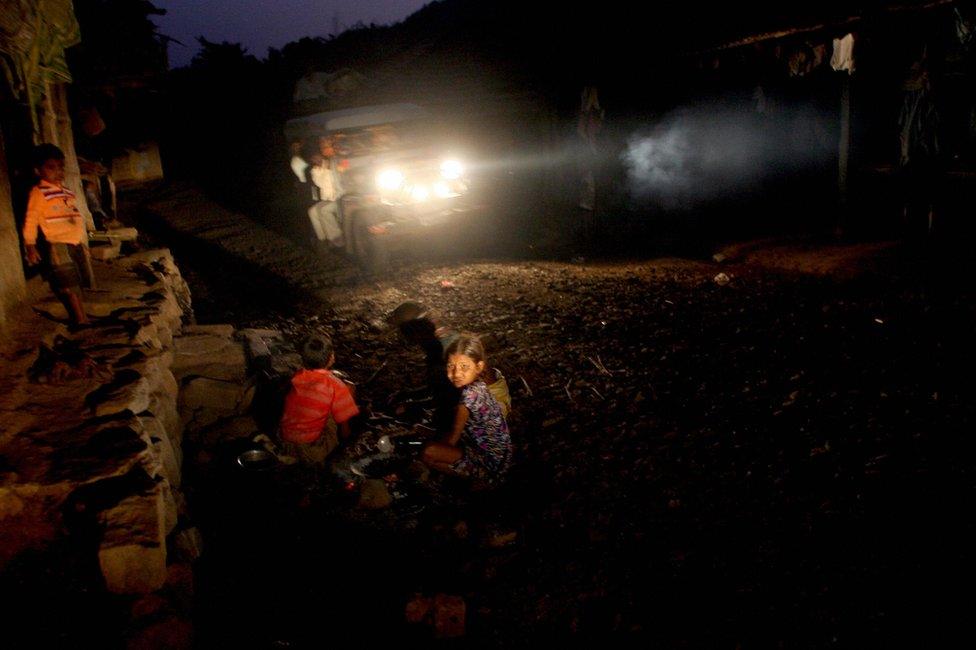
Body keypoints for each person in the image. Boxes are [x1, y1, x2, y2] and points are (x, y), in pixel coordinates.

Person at [421, 333, 512, 487]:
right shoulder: (480, 385)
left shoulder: (469, 396)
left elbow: (453, 439)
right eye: (451, 366)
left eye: (464, 367)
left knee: (429, 453)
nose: (456, 374)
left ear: (479, 366)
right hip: (501, 454)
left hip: (489, 460)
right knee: (435, 441)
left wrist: (431, 445)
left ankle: (483, 480)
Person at [22, 144, 96, 328]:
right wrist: (30, 246)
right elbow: (31, 220)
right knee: (66, 283)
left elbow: (75, 217)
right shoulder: (38, 193)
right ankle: (79, 319)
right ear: (37, 170)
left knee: (77, 281)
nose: (58, 171)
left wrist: (82, 242)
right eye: (51, 167)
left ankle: (82, 316)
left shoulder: (66, 192)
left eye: (61, 167)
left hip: (75, 243)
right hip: (58, 245)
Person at [279, 332, 360, 466]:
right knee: (348, 391)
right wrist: (346, 442)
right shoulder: (335, 385)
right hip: (312, 449)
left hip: (285, 441)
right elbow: (343, 427)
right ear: (331, 357)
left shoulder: (296, 377)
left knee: (315, 402)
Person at [306, 137, 345, 248]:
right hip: (330, 198)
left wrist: (327, 169)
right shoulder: (317, 169)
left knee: (323, 210)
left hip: (340, 197)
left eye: (326, 147)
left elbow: (341, 177)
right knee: (312, 211)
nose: (324, 150)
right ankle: (322, 238)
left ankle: (336, 237)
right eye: (322, 147)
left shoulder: (335, 161)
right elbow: (321, 184)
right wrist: (321, 169)